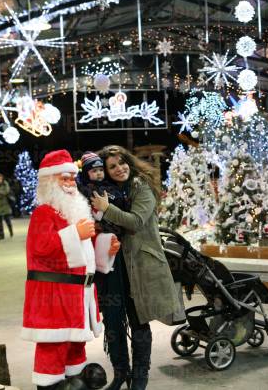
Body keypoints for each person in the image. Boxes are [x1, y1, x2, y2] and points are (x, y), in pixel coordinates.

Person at [21, 150, 120, 389]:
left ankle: (74, 381)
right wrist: (76, 233)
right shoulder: (43, 213)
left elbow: (83, 249)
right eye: (63, 178)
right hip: (54, 295)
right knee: (53, 346)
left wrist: (106, 248)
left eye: (71, 178)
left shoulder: (72, 211)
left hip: (78, 294)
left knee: (76, 345)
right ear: (49, 181)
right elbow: (41, 247)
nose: (69, 184)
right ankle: (51, 385)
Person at [90, 145, 183, 390]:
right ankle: (121, 374)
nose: (119, 169)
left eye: (122, 163)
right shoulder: (101, 192)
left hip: (139, 265)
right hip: (112, 267)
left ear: (129, 163)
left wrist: (106, 208)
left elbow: (135, 221)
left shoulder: (140, 187)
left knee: (138, 321)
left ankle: (139, 378)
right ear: (105, 171)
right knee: (113, 324)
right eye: (112, 166)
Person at [0, 173, 14, 240]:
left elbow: (6, 191)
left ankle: (11, 232)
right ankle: (1, 235)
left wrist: (0, 192)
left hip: (5, 204)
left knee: (8, 220)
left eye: (0, 179)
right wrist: (1, 193)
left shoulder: (5, 184)